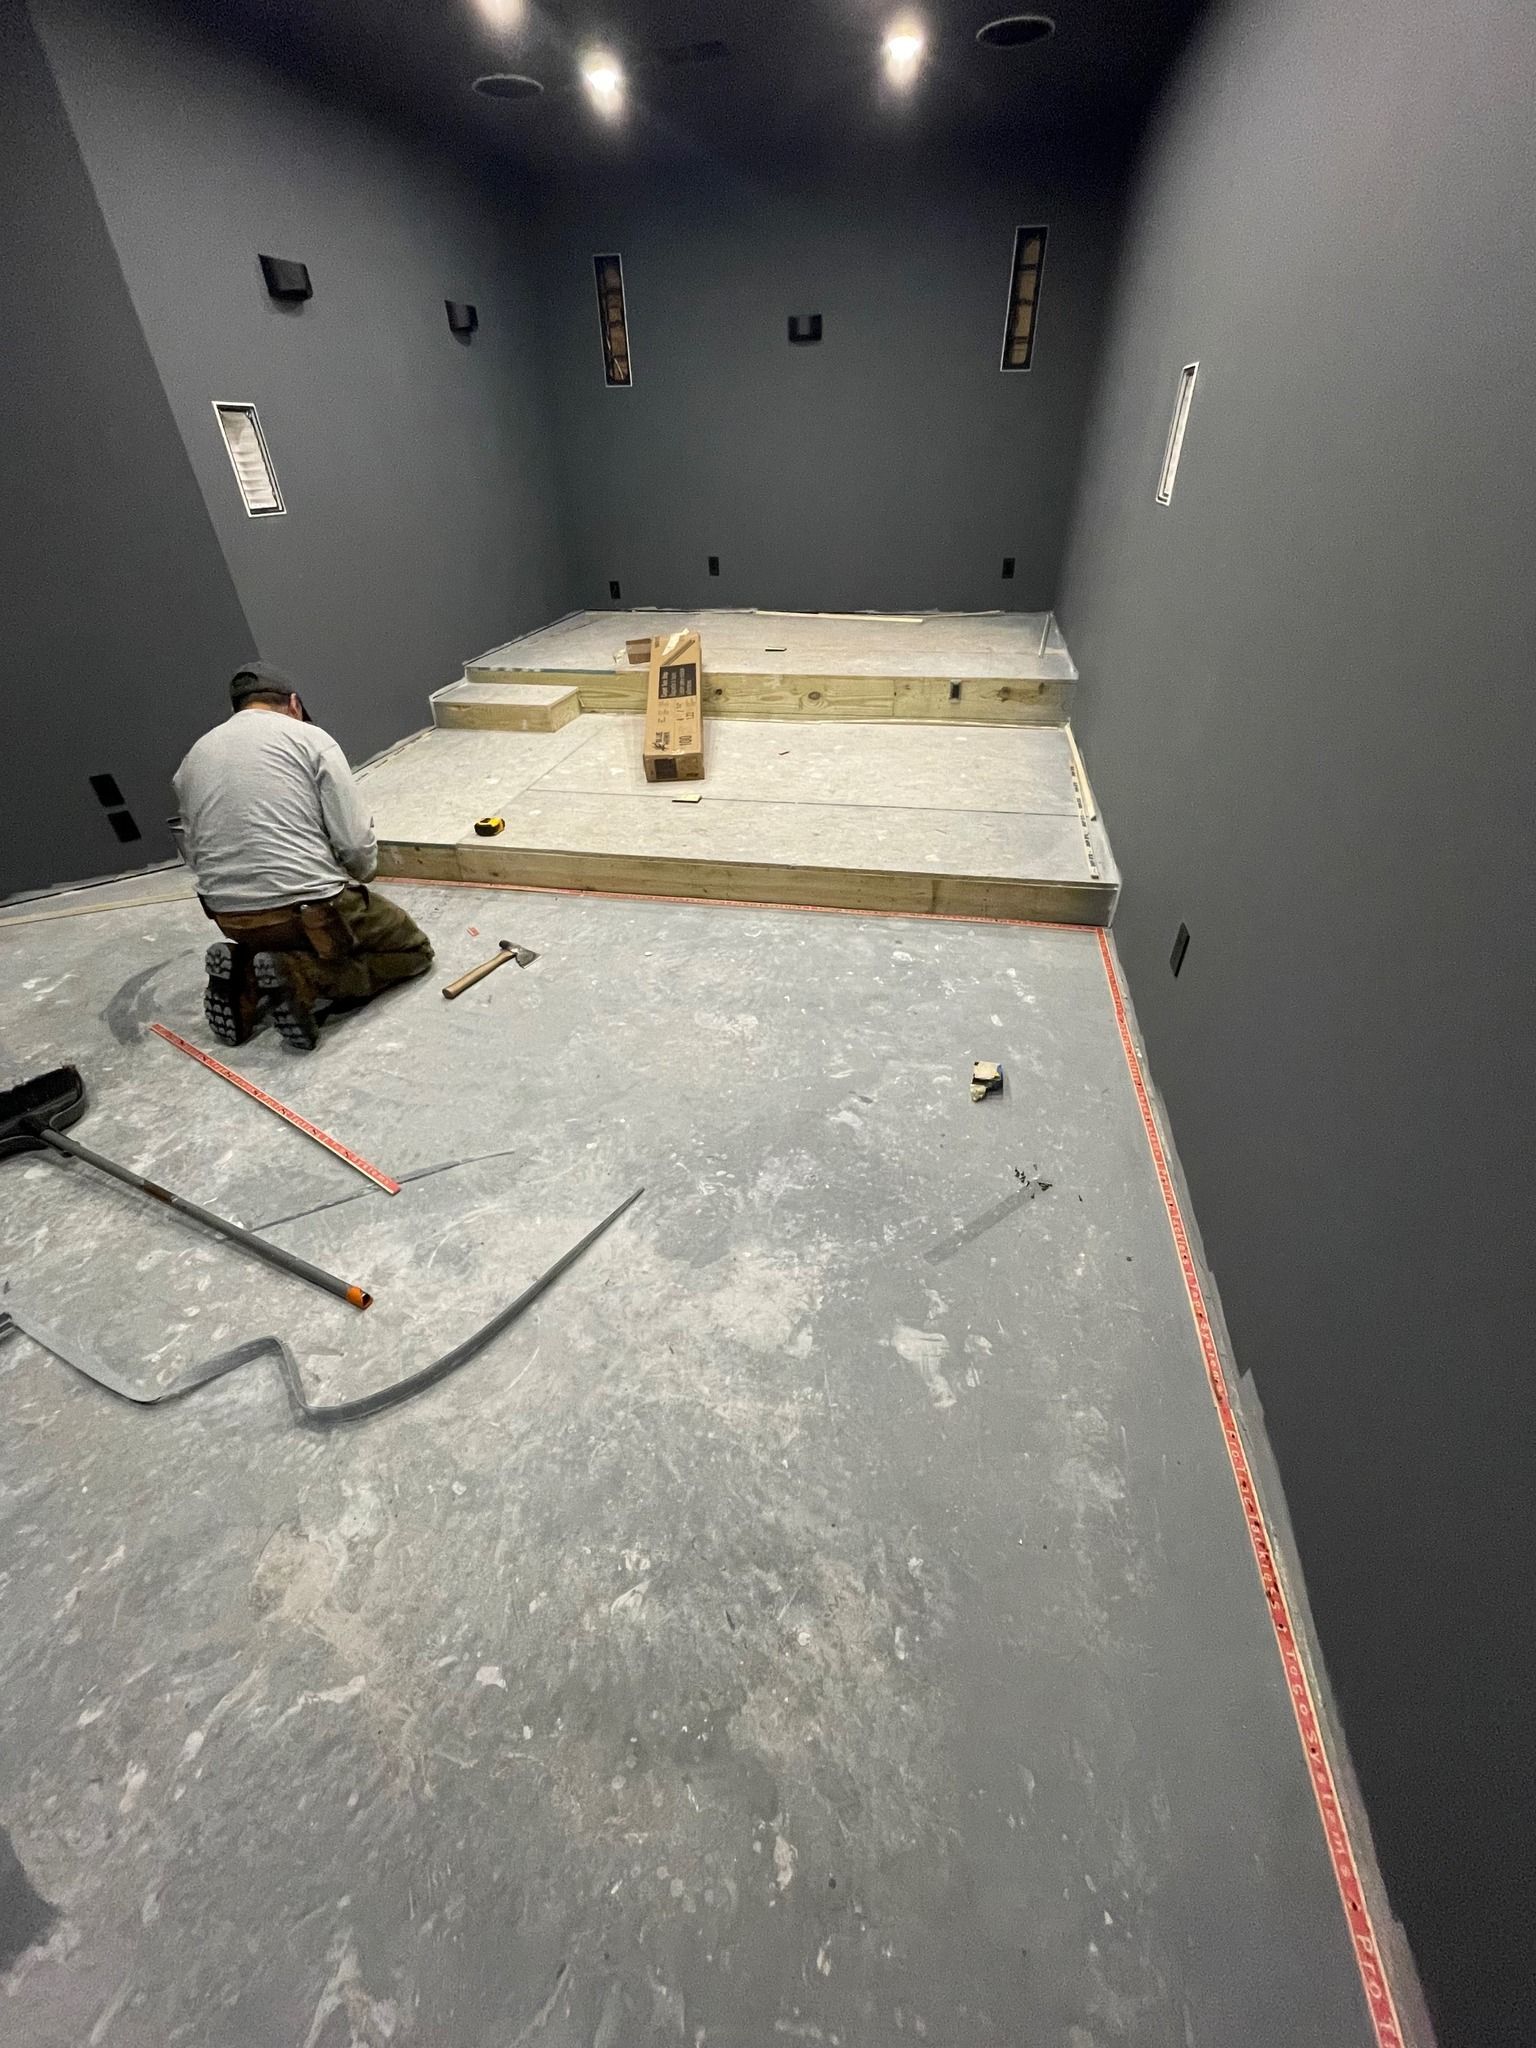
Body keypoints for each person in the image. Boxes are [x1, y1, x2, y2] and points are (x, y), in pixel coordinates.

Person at [172, 663, 433, 1051]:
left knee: (278, 934)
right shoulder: (309, 738)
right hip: (312, 911)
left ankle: (249, 978)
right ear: (293, 704)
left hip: (232, 918)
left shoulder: (193, 757)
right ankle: (305, 976)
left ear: (238, 709)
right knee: (412, 950)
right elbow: (357, 846)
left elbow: (194, 850)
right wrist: (361, 874)